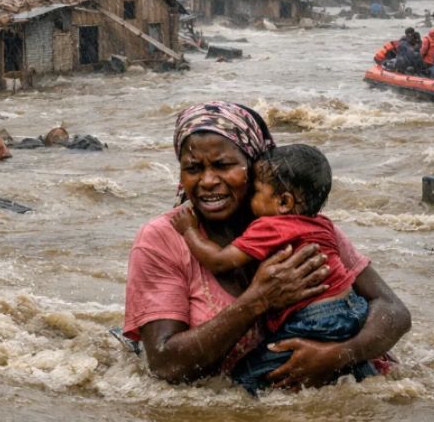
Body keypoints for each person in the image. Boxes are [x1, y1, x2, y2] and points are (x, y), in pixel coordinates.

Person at [122, 101, 410, 389]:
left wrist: (336, 355)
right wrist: (258, 300)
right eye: (193, 168)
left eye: (223, 165)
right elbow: (165, 365)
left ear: (255, 163)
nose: (208, 181)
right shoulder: (162, 239)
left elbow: (394, 310)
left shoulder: (298, 224)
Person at [170, 144, 373, 395]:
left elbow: (219, 260)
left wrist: (188, 230)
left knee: (243, 381)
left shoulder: (270, 226)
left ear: (284, 202)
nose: (250, 198)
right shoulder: (322, 224)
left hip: (316, 317)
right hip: (354, 308)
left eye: (255, 191)